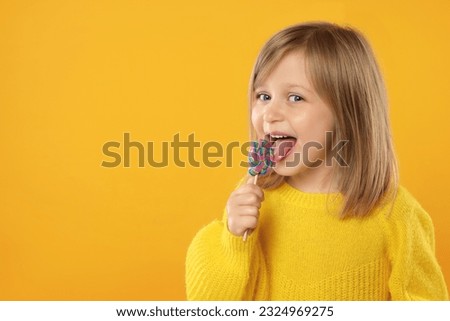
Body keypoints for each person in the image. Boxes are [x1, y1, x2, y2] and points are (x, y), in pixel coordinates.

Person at [185, 21, 448, 300]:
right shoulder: (254, 199)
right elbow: (206, 304)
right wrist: (234, 238)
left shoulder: (396, 216)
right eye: (263, 96)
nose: (270, 113)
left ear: (347, 113)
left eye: (295, 97)